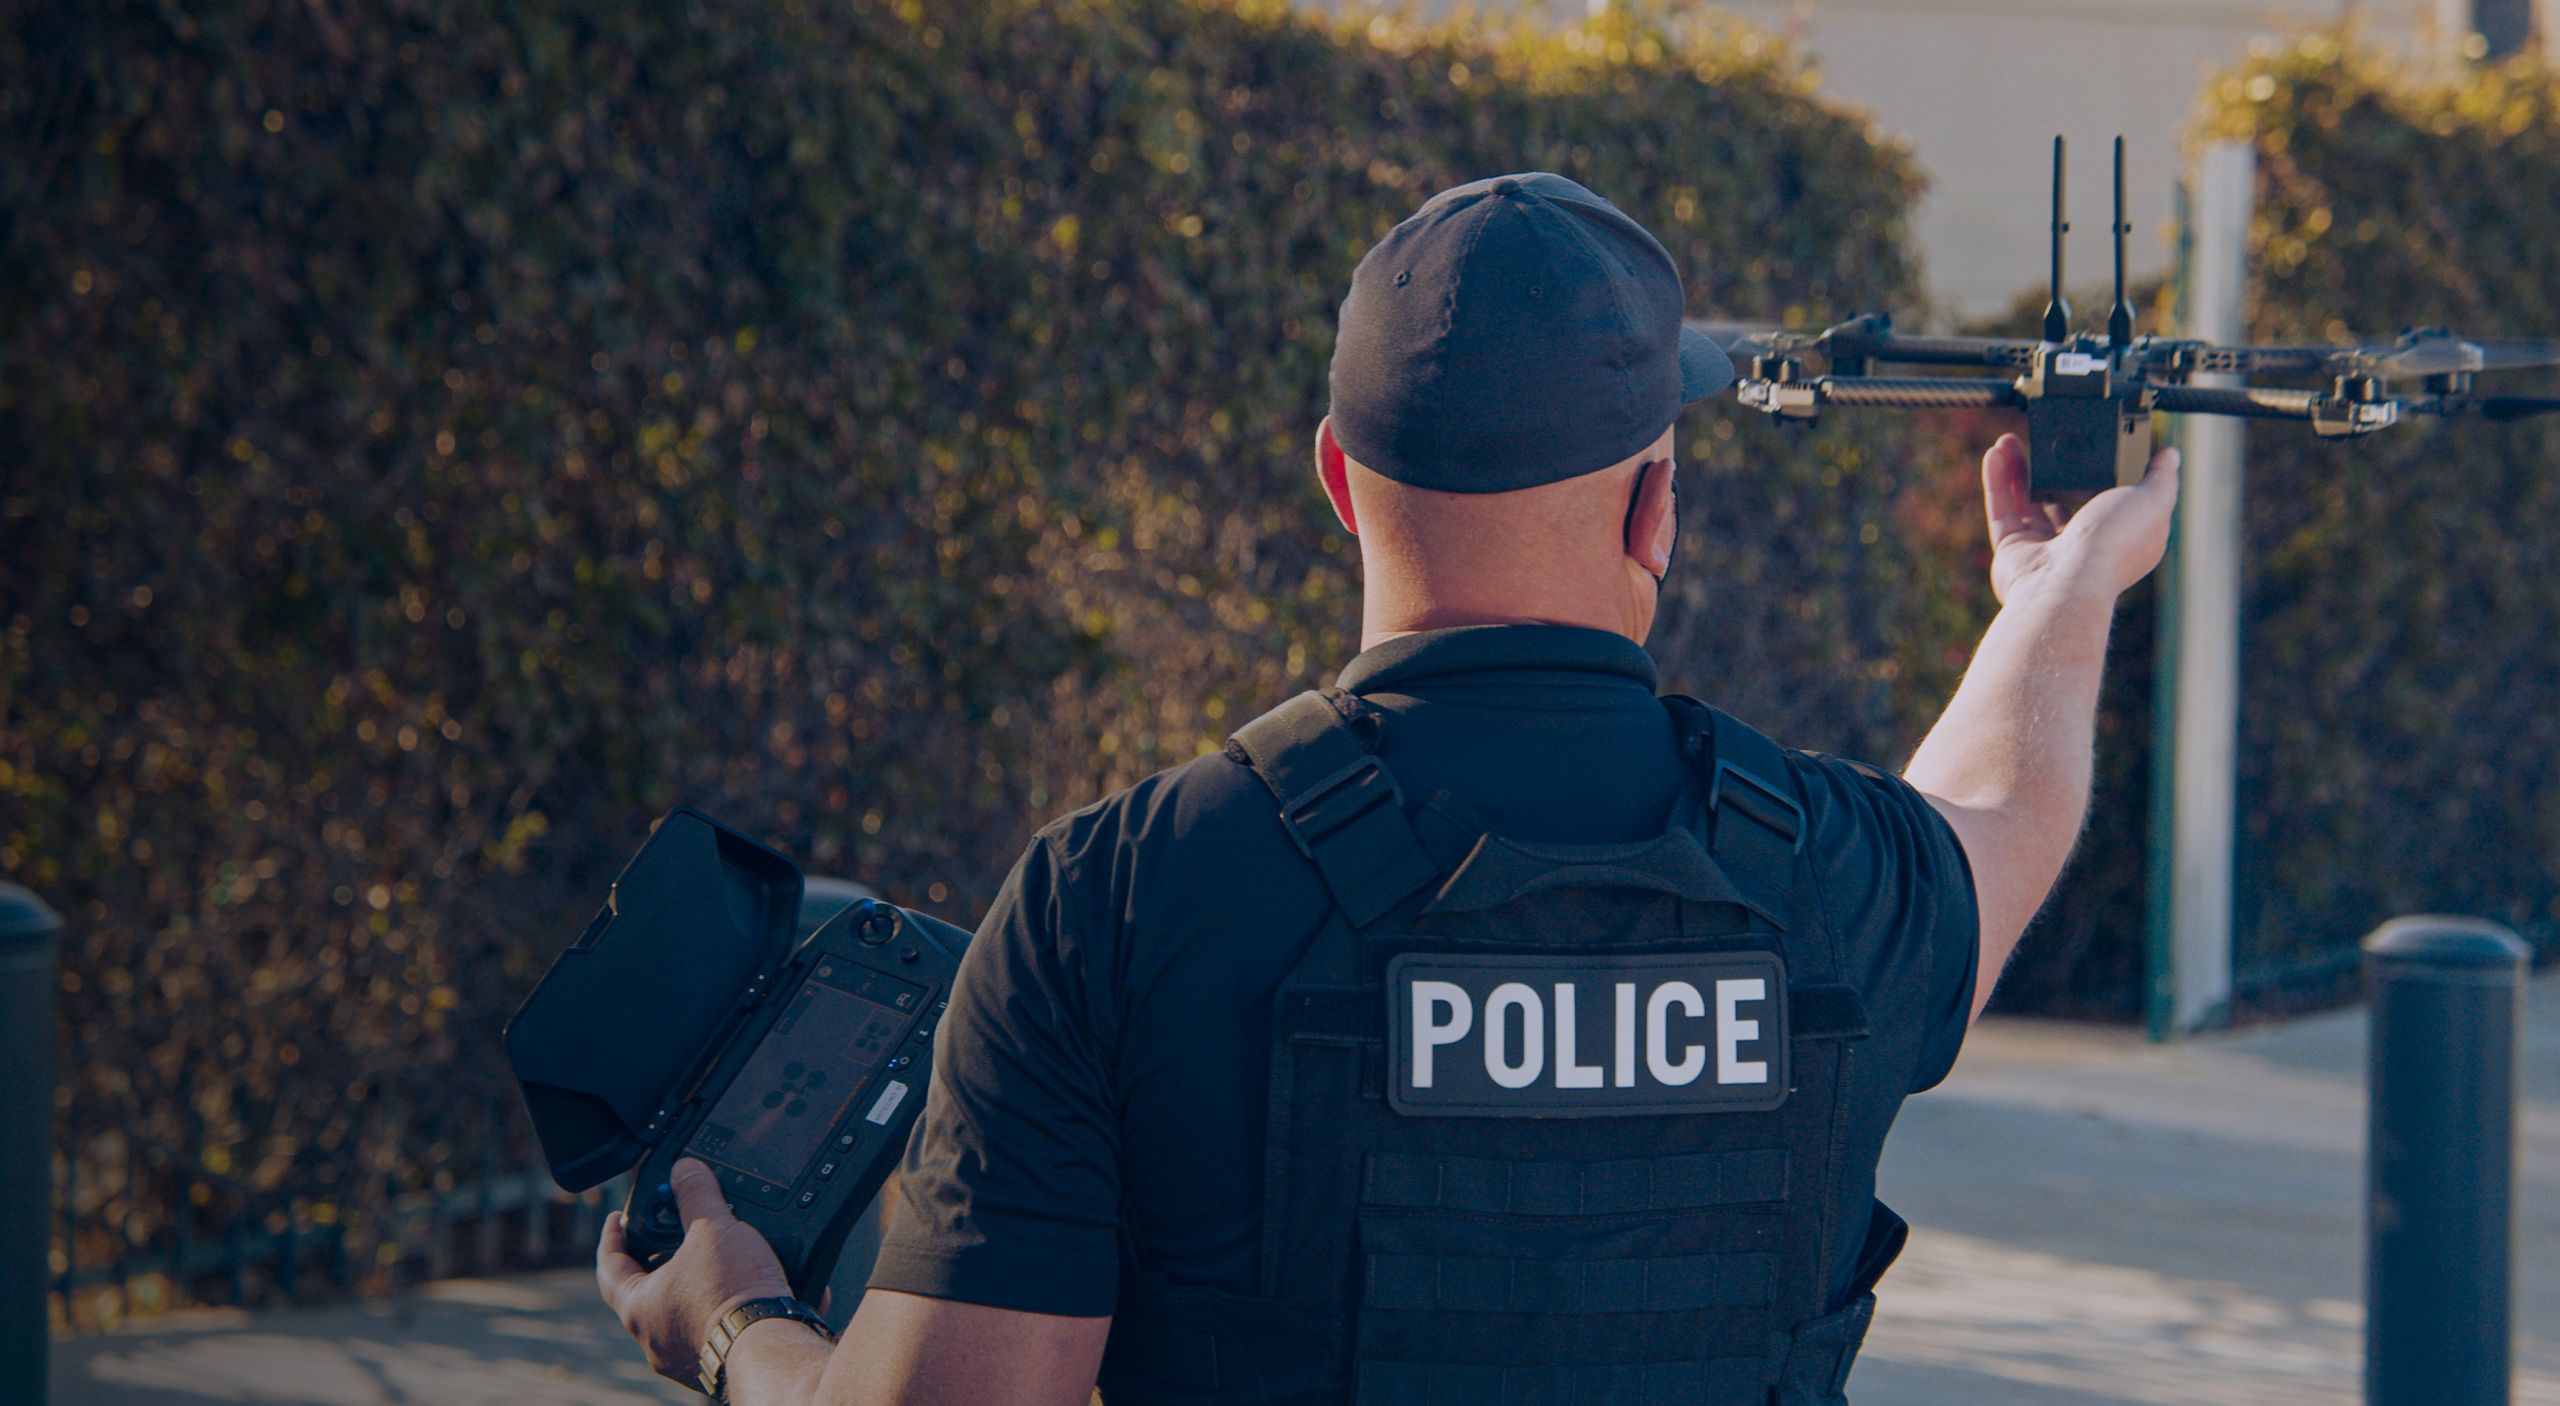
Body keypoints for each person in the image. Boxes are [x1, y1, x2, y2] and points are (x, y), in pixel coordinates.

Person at [595, 172, 2177, 1405]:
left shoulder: (1120, 895)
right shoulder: (1834, 877)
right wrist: (2064, 580)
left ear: (1339, 482)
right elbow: (2012, 814)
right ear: (1656, 509)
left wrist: (735, 1325)